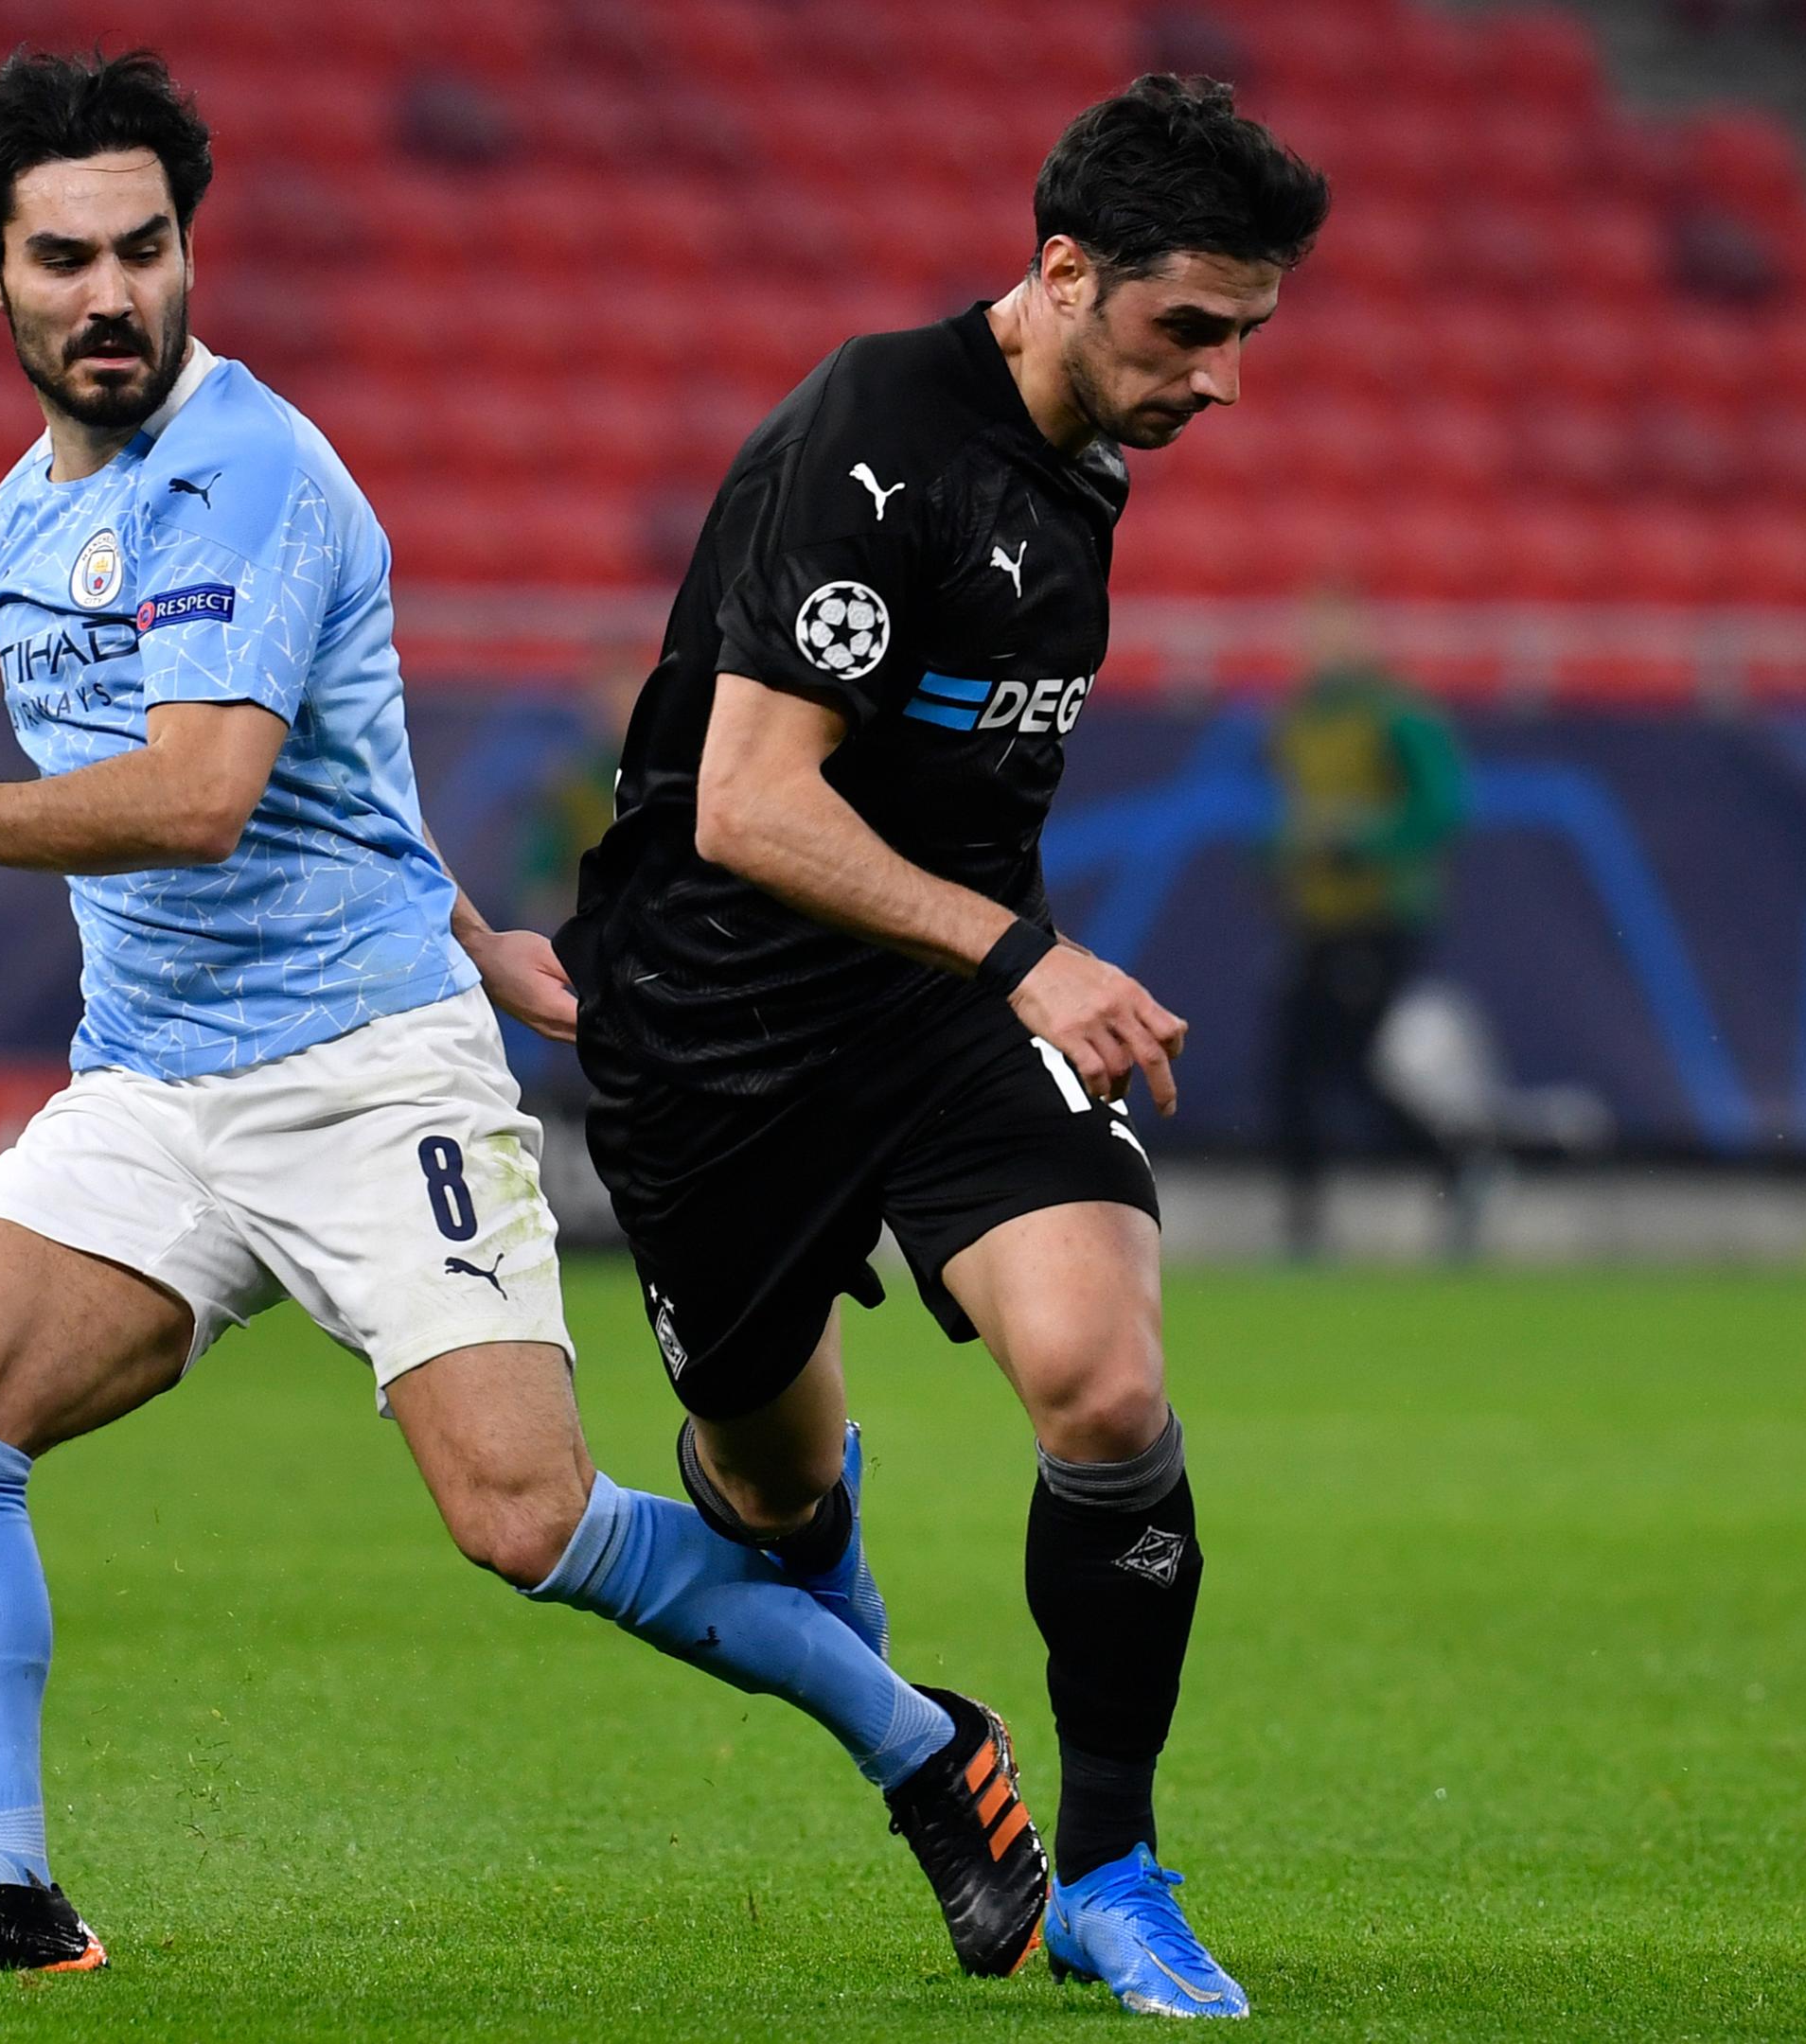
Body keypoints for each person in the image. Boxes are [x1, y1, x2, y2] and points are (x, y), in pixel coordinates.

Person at [0, 50, 1042, 1982]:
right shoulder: (19, 518)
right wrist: (477, 924)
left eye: (145, 248)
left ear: (187, 250)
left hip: (361, 1076)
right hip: (152, 1081)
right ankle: (8, 1888)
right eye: (63, 258)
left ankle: (923, 1745)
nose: (112, 294)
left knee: (524, 1520)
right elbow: (335, 767)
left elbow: (200, 796)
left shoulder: (251, 472)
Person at [554, 77, 1329, 2019]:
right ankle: (880, 1673)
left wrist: (1000, 965)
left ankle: (1113, 1875)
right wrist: (1026, 954)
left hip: (942, 1004)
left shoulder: (1090, 449)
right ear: (1063, 274)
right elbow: (749, 804)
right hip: (719, 1026)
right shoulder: (874, 441)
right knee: (769, 1500)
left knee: (1105, 1389)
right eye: (1190, 328)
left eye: (1248, 333)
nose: (1223, 380)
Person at [1264, 589, 1472, 1259]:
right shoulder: (1298, 718)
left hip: (1378, 917)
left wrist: (1366, 842)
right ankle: (1303, 1224)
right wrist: (1280, 855)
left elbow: (1442, 806)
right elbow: (1293, 810)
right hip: (1317, 918)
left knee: (1348, 1065)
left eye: (1338, 631)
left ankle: (1454, 1164)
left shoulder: (1397, 715)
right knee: (1291, 1068)